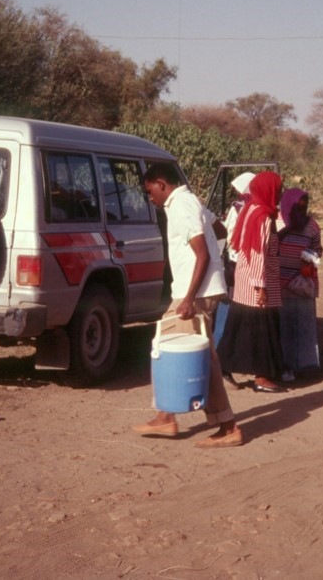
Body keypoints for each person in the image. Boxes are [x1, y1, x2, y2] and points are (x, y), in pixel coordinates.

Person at [132, 163, 241, 448]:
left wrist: (190, 298)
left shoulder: (181, 204)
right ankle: (173, 416)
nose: (150, 198)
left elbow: (202, 254)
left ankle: (223, 425)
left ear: (161, 183)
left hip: (194, 293)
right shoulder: (190, 202)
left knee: (169, 348)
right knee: (201, 355)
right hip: (199, 289)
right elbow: (219, 229)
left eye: (150, 191)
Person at [217, 171, 286, 393]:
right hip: (257, 281)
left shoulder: (250, 209)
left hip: (245, 279)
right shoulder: (263, 216)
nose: (280, 194)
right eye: (278, 190)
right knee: (262, 330)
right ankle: (261, 377)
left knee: (239, 328)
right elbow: (258, 253)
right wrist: (261, 287)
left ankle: (223, 367)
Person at [277, 187, 323, 381]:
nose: (301, 212)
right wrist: (286, 230)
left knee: (302, 326)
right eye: (297, 208)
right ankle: (284, 366)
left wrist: (311, 257)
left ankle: (301, 365)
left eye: (304, 208)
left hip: (301, 284)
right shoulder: (277, 222)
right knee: (283, 327)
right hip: (280, 285)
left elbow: (318, 249)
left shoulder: (312, 226)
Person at [212, 172, 254, 354]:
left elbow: (227, 232)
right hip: (248, 261)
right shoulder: (257, 209)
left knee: (227, 303)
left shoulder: (236, 209)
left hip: (233, 260)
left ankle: (219, 345)